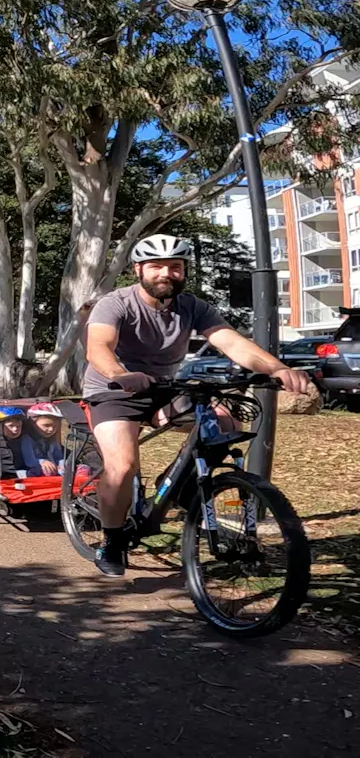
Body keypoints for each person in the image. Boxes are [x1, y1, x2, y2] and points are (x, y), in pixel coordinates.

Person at [82, 233, 311, 577]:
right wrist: (119, 373)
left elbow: (232, 343)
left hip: (165, 388)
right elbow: (98, 345)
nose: (166, 273)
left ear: (184, 271)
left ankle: (179, 485)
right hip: (114, 391)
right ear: (138, 269)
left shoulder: (192, 307)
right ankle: (112, 540)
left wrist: (277, 368)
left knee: (224, 421)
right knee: (123, 465)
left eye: (175, 267)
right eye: (157, 266)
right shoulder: (116, 303)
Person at [21, 403, 67, 476]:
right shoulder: (27, 439)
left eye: (55, 426)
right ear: (33, 423)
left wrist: (63, 464)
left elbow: (58, 456)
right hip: (37, 470)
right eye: (46, 425)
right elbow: (29, 461)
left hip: (55, 468)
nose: (51, 429)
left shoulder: (52, 439)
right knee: (47, 472)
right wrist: (42, 462)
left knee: (82, 468)